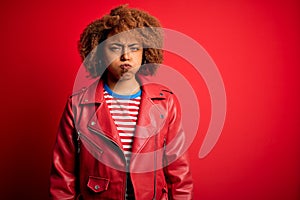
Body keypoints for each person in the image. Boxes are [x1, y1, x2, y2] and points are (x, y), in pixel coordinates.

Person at [50, 4, 193, 200]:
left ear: (145, 53)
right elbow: (63, 176)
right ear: (99, 52)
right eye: (116, 47)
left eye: (134, 48)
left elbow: (179, 173)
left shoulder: (165, 102)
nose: (126, 56)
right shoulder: (77, 106)